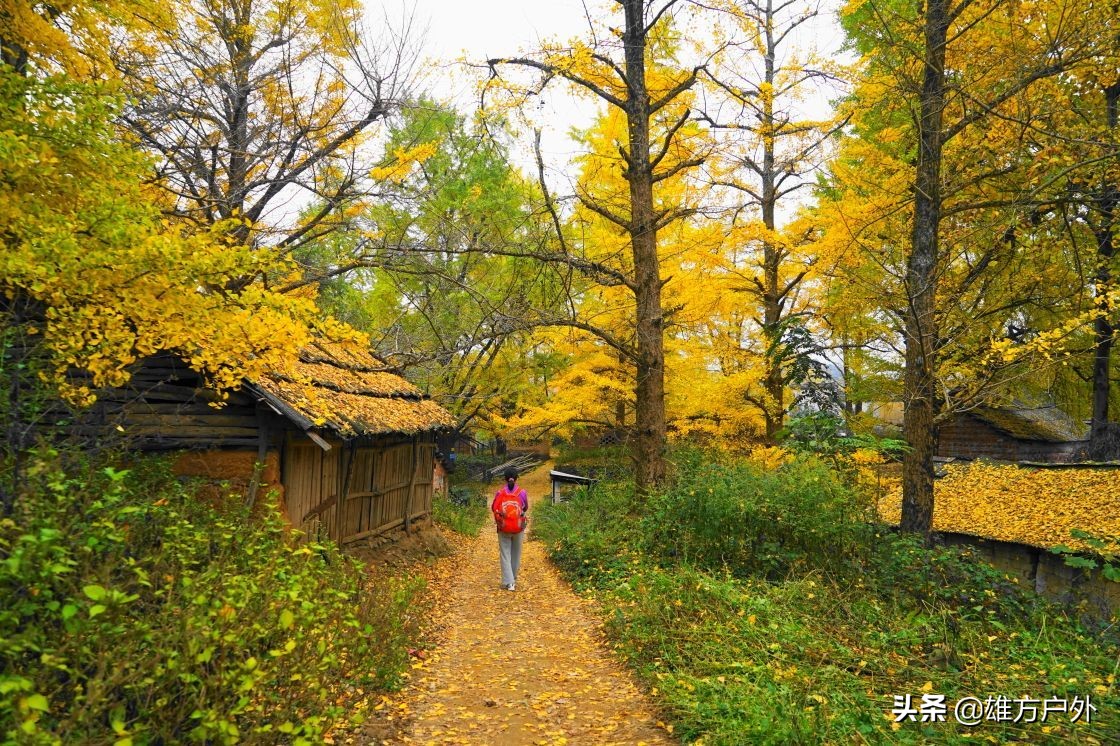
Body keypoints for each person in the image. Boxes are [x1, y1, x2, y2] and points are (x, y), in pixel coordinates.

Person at [491, 468, 528, 591]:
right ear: (517, 478)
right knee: (516, 554)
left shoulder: (500, 493)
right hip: (518, 527)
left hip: (503, 528)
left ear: (505, 478)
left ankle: (509, 582)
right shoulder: (522, 492)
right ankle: (513, 579)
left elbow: (493, 508)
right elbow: (525, 508)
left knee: (505, 554)